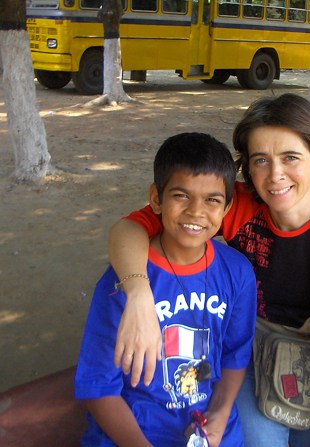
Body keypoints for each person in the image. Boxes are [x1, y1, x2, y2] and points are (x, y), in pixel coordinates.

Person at [109, 94, 310, 446]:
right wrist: (138, 295)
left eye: (290, 157)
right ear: (247, 167)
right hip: (250, 352)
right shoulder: (236, 204)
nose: (275, 175)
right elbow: (129, 229)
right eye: (261, 160)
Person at [75, 132, 257, 447]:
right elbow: (98, 386)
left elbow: (234, 354)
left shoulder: (237, 272)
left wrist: (219, 414)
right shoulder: (123, 280)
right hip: (136, 431)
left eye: (212, 200)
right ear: (156, 200)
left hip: (209, 429)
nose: (196, 211)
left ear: (227, 207)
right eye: (181, 196)